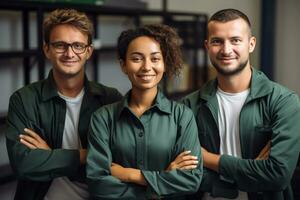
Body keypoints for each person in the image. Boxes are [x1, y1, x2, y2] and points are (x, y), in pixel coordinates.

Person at [182, 8, 300, 200]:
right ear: (207, 46)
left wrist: (207, 159)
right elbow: (182, 170)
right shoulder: (189, 105)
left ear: (251, 44)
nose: (226, 50)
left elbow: (278, 175)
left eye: (235, 40)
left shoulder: (283, 101)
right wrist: (251, 172)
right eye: (217, 41)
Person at [5, 9, 122, 200]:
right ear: (47, 49)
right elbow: (23, 164)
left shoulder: (110, 99)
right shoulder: (24, 99)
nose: (69, 53)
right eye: (60, 45)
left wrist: (51, 155)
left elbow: (119, 164)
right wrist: (84, 155)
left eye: (78, 45)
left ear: (88, 51)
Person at [86, 24, 202, 199]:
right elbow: (98, 184)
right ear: (123, 65)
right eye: (137, 59)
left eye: (155, 59)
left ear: (164, 63)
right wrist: (163, 177)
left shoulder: (182, 117)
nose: (147, 67)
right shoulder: (103, 118)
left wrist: (129, 174)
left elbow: (190, 181)